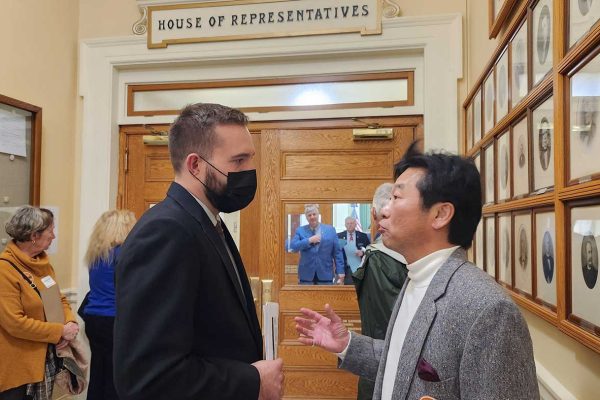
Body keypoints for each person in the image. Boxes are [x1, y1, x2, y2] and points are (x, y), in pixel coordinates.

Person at [295, 142, 539, 400]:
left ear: (440, 214)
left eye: (396, 198)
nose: (383, 212)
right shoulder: (416, 277)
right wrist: (347, 345)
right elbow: (404, 366)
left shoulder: (489, 311)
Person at [114, 103, 283, 400]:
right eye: (239, 160)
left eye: (250, 159)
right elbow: (148, 378)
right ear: (195, 165)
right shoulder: (166, 232)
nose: (249, 171)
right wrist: (251, 380)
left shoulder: (206, 219)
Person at [0, 206, 79, 399]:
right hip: (18, 367)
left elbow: (58, 299)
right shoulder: (4, 269)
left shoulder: (42, 264)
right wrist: (60, 331)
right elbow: (15, 323)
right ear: (34, 235)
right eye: (51, 230)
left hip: (46, 359)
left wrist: (70, 322)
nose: (54, 235)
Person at [351, 183, 408, 400]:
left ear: (373, 213)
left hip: (385, 367)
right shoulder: (382, 256)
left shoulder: (380, 260)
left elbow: (385, 326)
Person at [80, 209, 136, 400]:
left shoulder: (97, 255)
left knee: (99, 372)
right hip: (115, 320)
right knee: (118, 377)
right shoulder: (124, 255)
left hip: (94, 319)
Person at [290, 204, 345, 285]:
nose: (312, 217)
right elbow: (294, 246)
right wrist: (309, 240)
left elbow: (337, 253)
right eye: (309, 215)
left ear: (318, 214)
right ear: (306, 217)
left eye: (314, 214)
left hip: (326, 275)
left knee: (326, 298)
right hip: (306, 276)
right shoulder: (300, 230)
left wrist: (340, 271)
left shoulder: (330, 230)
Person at [337, 216, 370, 285]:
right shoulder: (339, 236)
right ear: (345, 225)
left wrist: (363, 252)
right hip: (346, 269)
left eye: (351, 223)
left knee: (359, 290)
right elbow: (337, 252)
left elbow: (369, 249)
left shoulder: (363, 236)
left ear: (355, 224)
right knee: (347, 292)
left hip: (359, 268)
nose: (349, 225)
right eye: (348, 223)